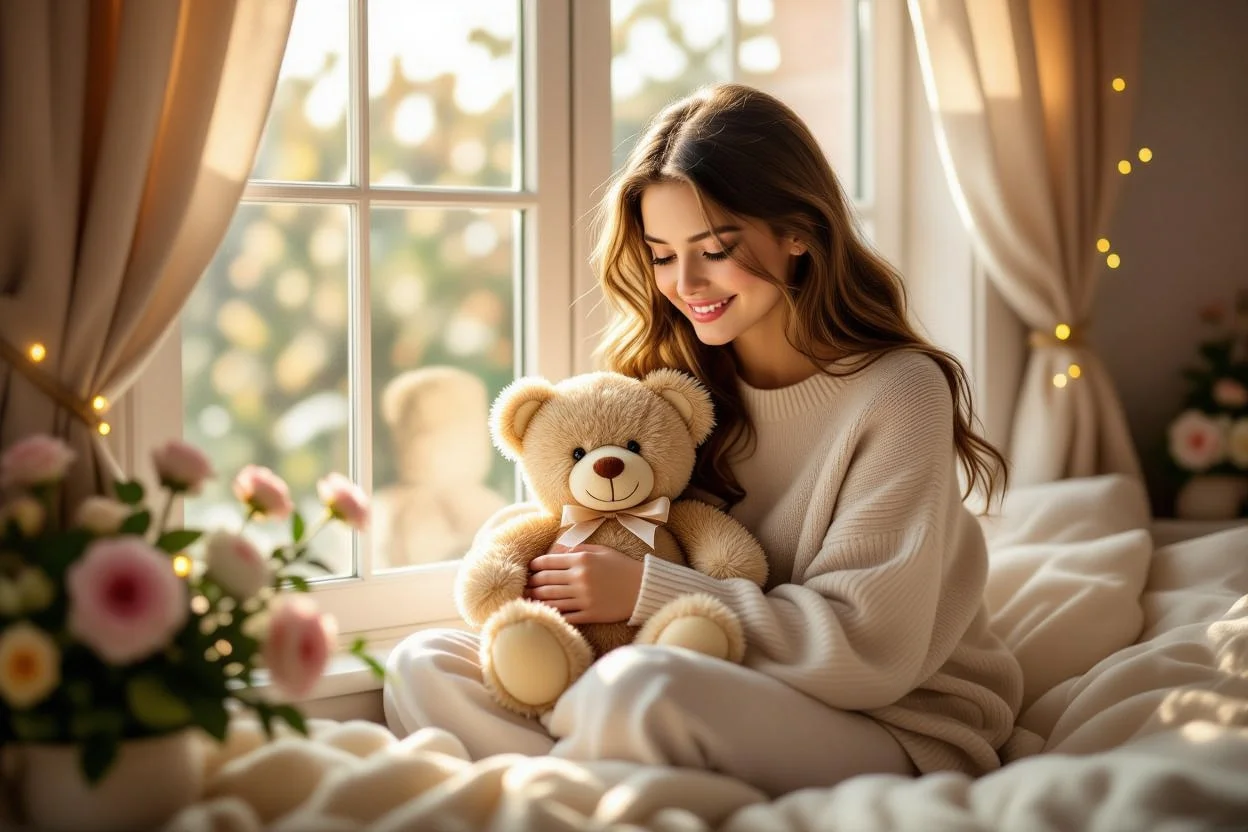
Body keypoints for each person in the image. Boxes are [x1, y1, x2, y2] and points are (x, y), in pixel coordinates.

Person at [383, 82, 1024, 798]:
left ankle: (584, 774)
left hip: (892, 722)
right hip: (696, 681)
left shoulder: (899, 391)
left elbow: (868, 649)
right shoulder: (672, 383)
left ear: (798, 233)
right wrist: (542, 569)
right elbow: (576, 506)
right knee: (422, 663)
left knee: (643, 692)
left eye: (714, 249)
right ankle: (593, 783)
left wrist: (645, 591)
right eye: (660, 255)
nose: (684, 284)